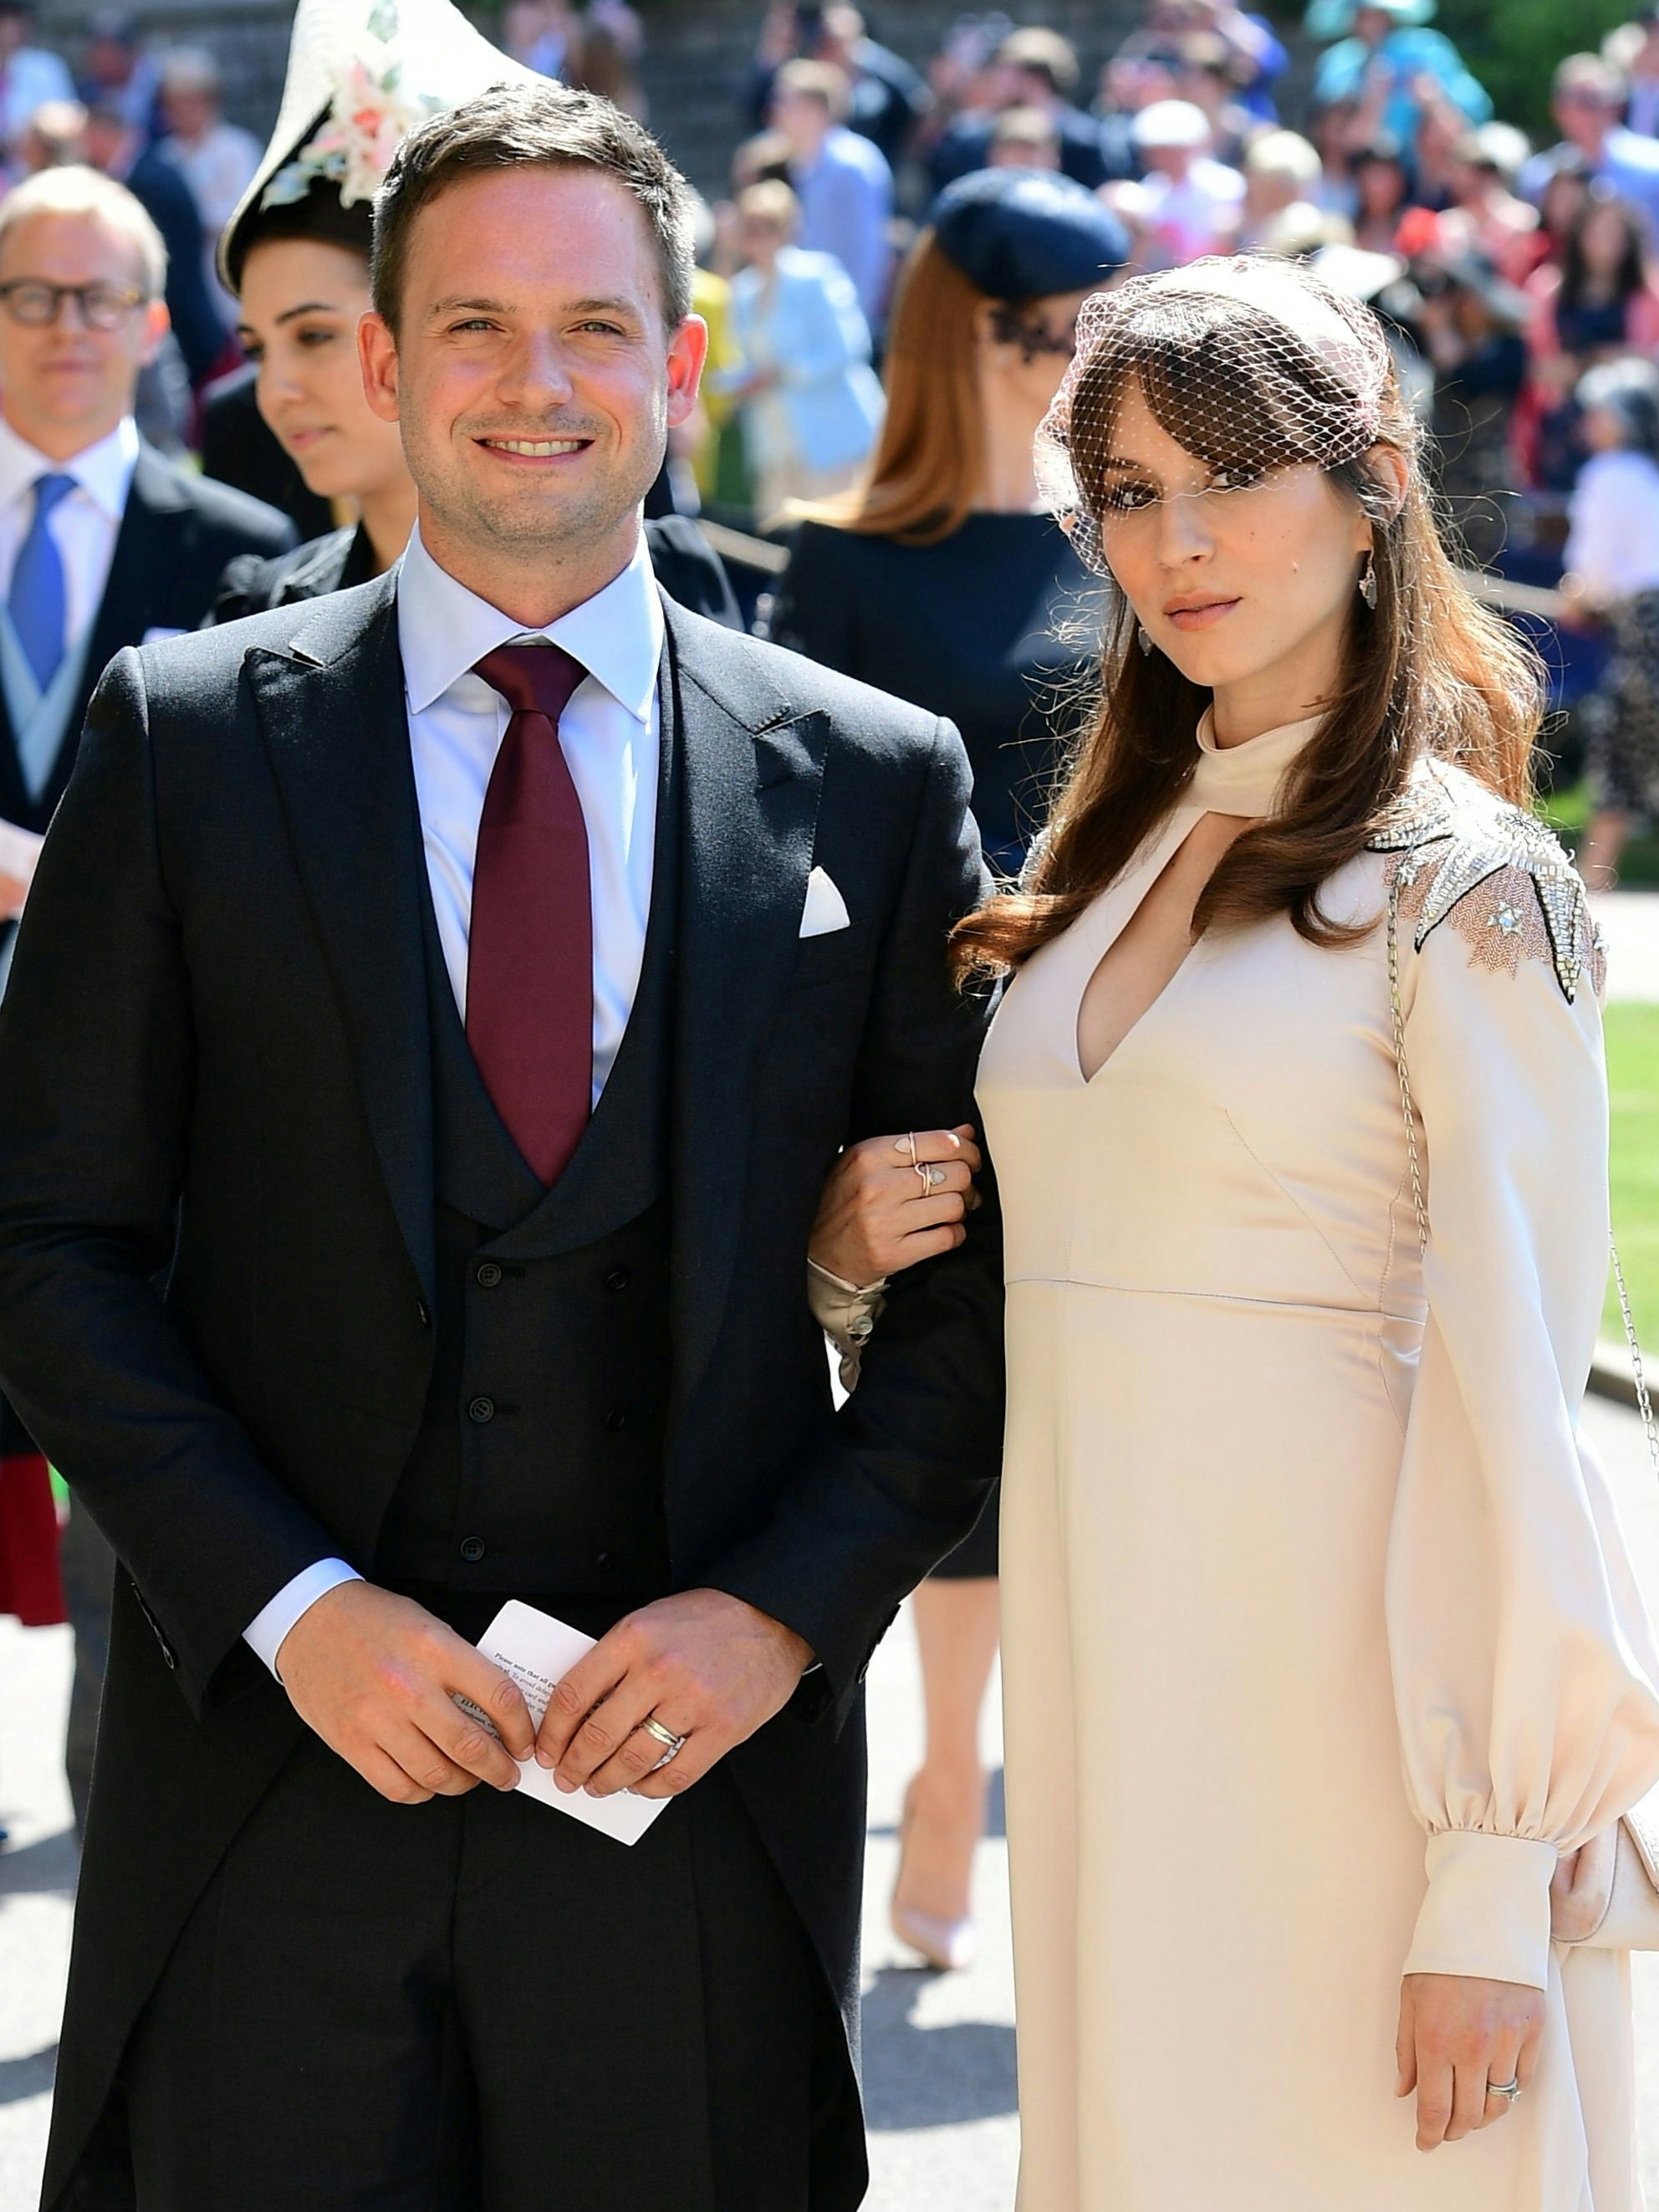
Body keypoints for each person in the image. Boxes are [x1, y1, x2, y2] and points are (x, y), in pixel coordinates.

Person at [0, 78, 1005, 2212]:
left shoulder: (876, 780)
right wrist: (292, 1601)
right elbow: (43, 1234)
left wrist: (777, 1614)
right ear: (379, 361)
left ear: (684, 363)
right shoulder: (185, 737)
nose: (534, 382)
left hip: (692, 1800)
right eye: (470, 325)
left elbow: (974, 1302)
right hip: (266, 1779)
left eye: (593, 326)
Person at [770, 167, 1124, 1973]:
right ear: (948, 329)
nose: (1071, 361)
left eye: (1094, 324)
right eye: (1039, 328)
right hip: (934, 1062)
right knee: (953, 1413)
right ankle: (940, 1766)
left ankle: (1019, 1777)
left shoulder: (1123, 540)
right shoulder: (842, 559)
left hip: (1131, 1054)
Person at [0, 160, 289, 1838]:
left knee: (124, 1516)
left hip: (132, 1122)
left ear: (155, 324)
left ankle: (120, 1840)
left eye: (99, 296)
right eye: (31, 295)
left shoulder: (239, 557)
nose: (64, 330)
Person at [211, 0, 739, 631]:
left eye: (314, 335)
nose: (277, 391)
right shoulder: (254, 629)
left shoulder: (679, 594)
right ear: (387, 360)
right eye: (476, 324)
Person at [717, 177, 884, 523]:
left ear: (787, 228)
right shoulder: (743, 291)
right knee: (780, 544)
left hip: (832, 438)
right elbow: (747, 362)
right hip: (776, 444)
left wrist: (781, 373)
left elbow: (849, 346)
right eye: (750, 227)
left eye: (768, 226)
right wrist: (738, 383)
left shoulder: (817, 274)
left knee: (838, 540)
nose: (758, 236)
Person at [1559, 357, 1659, 889]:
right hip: (1642, 618)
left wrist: (1580, 595)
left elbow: (1593, 574)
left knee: (1621, 745)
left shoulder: (1611, 472)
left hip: (1646, 626)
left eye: (1597, 413)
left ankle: (1591, 884)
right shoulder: (1645, 473)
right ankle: (1594, 879)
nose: (1588, 423)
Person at [82, 95, 226, 385]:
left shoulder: (145, 183)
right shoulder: (149, 169)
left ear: (100, 134)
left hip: (184, 328)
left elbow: (162, 268)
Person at [1521, 194, 1659, 493]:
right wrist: (1585, 364)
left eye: (1616, 234)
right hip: (1565, 423)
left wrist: (1618, 359)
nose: (1607, 243)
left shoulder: (1649, 294)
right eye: (1599, 233)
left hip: (1628, 427)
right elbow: (1539, 367)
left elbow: (1650, 359)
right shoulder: (1548, 289)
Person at [770, 58, 893, 330]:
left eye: (786, 103)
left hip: (846, 324)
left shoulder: (851, 165)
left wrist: (856, 324)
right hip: (817, 322)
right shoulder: (803, 164)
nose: (776, 112)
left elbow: (867, 255)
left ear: (815, 109)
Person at [929, 27, 1115, 195]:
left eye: (1012, 74)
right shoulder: (967, 140)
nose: (1000, 82)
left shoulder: (1083, 142)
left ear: (1042, 80)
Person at [1307, 0, 1491, 154]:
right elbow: (1339, 148)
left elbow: (1469, 136)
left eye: (1377, 15)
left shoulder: (1426, 50)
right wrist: (1374, 103)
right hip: (1371, 180)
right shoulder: (1340, 63)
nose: (1369, 24)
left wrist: (1433, 101)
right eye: (1362, 15)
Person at [156, 47, 258, 318]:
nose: (185, 111)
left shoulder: (237, 148)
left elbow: (239, 213)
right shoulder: (164, 156)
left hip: (225, 275)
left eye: (194, 100)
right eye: (176, 102)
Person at [1518, 54, 1659, 245]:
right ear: (1557, 109)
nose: (1586, 111)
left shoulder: (1652, 166)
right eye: (1575, 99)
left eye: (1595, 99)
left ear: (1616, 106)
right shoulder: (1539, 175)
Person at [1131, 98, 1245, 266]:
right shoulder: (1149, 190)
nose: (1165, 158)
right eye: (1158, 151)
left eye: (1174, 150)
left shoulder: (1227, 187)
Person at [0, 0, 74, 161]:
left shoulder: (46, 68)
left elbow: (66, 124)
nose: (12, 28)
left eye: (17, 20)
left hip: (37, 165)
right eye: (6, 20)